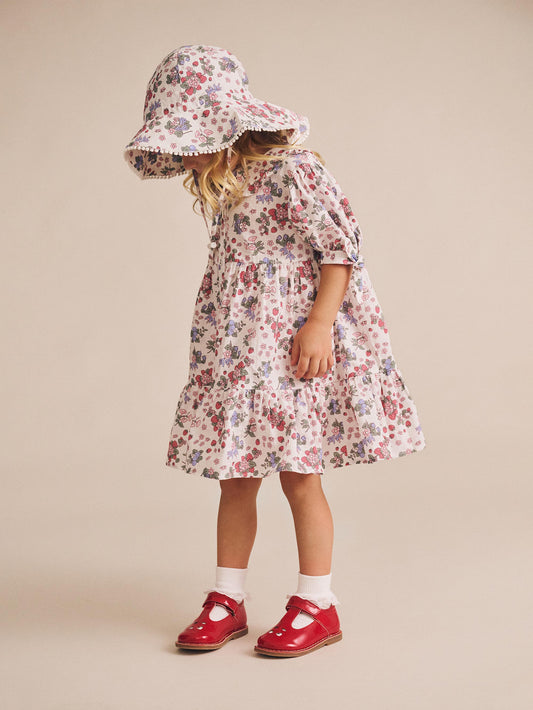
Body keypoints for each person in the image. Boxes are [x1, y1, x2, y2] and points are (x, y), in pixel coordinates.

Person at [124, 44, 426, 658]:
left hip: (290, 351)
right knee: (235, 477)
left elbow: (340, 249)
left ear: (226, 124)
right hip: (240, 351)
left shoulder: (294, 170)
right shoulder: (229, 181)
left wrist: (319, 324)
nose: (186, 155)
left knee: (299, 476)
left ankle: (317, 603)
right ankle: (227, 598)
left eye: (191, 140)